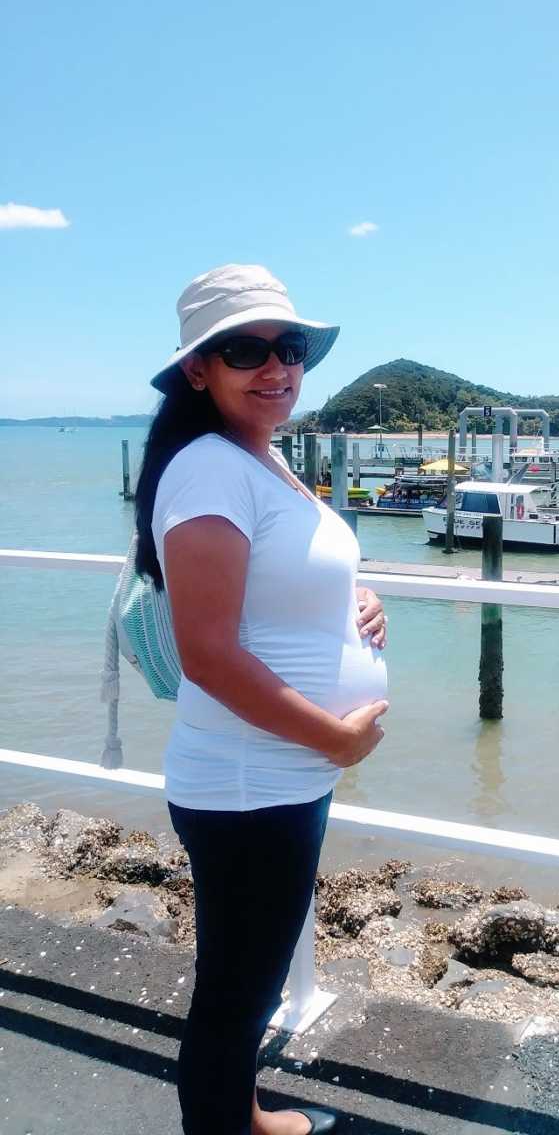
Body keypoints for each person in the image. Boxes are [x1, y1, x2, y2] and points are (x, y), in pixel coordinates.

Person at [135, 264, 389, 1135]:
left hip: (280, 776)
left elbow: (277, 582)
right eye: (246, 350)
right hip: (252, 780)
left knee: (246, 979)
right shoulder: (211, 468)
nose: (277, 366)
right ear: (200, 368)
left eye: (290, 349)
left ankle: (239, 1114)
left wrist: (354, 601)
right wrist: (337, 740)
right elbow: (207, 653)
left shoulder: (259, 456)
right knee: (236, 993)